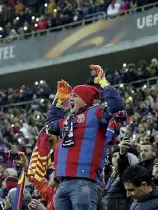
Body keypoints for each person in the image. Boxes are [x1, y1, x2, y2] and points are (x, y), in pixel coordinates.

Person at [47, 65, 124, 210]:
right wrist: (58, 100)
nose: (71, 99)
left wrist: (103, 83)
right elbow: (51, 126)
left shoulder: (97, 113)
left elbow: (116, 108)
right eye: (70, 96)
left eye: (74, 96)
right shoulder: (68, 120)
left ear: (85, 98)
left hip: (83, 181)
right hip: (62, 182)